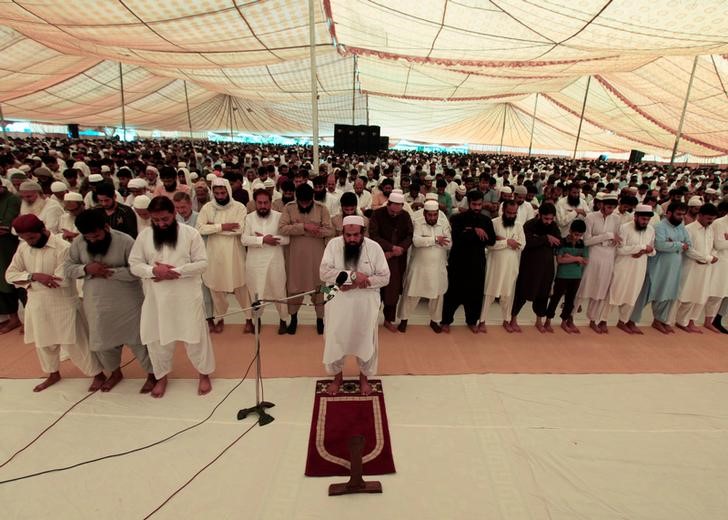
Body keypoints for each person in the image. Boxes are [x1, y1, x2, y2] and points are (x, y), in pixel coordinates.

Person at [5, 214, 103, 392]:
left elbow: (61, 280)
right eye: (25, 239)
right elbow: (10, 275)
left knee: (76, 343)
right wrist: (34, 276)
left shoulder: (63, 247)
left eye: (32, 237)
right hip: (36, 303)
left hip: (63, 303)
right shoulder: (23, 248)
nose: (30, 242)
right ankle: (53, 374)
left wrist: (27, 280)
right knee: (44, 343)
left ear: (43, 230)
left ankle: (97, 374)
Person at [129, 196, 214, 398]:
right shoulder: (145, 236)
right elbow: (134, 265)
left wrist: (176, 271)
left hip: (186, 297)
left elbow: (202, 263)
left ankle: (203, 373)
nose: (161, 224)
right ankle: (162, 376)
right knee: (158, 340)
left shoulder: (190, 234)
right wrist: (153, 271)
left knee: (195, 337)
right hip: (157, 300)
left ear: (174, 213)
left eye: (165, 219)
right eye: (156, 220)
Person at [65, 209, 156, 392]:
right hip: (96, 303)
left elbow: (138, 270)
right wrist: (87, 268)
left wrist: (111, 272)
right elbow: (67, 268)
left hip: (128, 303)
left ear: (106, 227)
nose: (93, 240)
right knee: (103, 341)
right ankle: (115, 373)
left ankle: (153, 374)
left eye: (96, 235)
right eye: (88, 237)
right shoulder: (78, 243)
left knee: (139, 340)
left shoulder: (126, 241)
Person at [319, 215, 390, 395]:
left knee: (365, 338)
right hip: (337, 302)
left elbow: (385, 277)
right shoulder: (333, 245)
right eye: (348, 235)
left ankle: (364, 377)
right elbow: (324, 273)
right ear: (342, 233)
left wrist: (362, 281)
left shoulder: (374, 248)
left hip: (365, 304)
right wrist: (351, 276)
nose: (352, 239)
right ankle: (337, 376)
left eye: (356, 235)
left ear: (363, 233)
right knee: (335, 337)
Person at [196, 177, 254, 333]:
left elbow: (240, 229)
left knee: (242, 286)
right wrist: (224, 226)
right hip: (214, 254)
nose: (220, 196)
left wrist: (213, 227)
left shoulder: (239, 207)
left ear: (228, 191)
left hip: (235, 254)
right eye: (217, 193)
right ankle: (220, 318)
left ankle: (249, 318)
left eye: (223, 192)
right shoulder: (208, 207)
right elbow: (200, 228)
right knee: (216, 288)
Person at [278, 183, 334, 334]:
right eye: (301, 202)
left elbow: (329, 230)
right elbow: (282, 228)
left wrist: (303, 229)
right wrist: (304, 227)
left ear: (312, 199)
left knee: (321, 287)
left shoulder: (322, 209)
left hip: (317, 257)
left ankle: (320, 319)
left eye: (307, 202)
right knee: (294, 288)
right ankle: (294, 318)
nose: (304, 204)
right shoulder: (289, 208)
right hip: (295, 258)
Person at [630, 202, 691, 334]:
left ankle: (659, 320)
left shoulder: (681, 226)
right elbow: (660, 245)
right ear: (668, 213)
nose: (681, 217)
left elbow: (689, 244)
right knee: (646, 294)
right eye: (678, 214)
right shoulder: (660, 227)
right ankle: (631, 321)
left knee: (668, 294)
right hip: (657, 266)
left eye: (682, 215)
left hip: (674, 267)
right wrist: (679, 245)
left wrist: (672, 243)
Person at [440, 190, 496, 333]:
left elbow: (491, 240)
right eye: (474, 204)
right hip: (458, 261)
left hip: (477, 262)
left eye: (479, 204)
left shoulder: (486, 220)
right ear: (468, 203)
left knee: (475, 294)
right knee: (453, 292)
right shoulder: (457, 218)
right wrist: (475, 231)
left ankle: (471, 321)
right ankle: (446, 321)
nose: (477, 208)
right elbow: (458, 238)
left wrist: (471, 232)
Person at [241, 189, 290, 335]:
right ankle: (258, 319)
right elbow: (244, 240)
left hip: (275, 262)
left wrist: (270, 239)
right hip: (255, 264)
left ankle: (283, 320)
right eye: (260, 203)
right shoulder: (249, 218)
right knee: (256, 292)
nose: (263, 206)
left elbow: (287, 239)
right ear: (255, 203)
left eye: (266, 203)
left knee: (279, 292)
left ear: (271, 202)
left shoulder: (279, 217)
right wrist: (263, 240)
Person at [398, 200, 451, 333]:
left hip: (438, 266)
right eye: (430, 215)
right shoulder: (417, 222)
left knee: (438, 296)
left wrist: (427, 240)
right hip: (419, 266)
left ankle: (434, 321)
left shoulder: (444, 223)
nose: (432, 218)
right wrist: (435, 240)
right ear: (425, 213)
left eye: (435, 215)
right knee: (411, 294)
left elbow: (449, 243)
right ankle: (404, 320)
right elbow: (416, 241)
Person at [510, 203, 561, 333]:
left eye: (551, 219)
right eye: (546, 219)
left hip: (547, 266)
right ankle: (513, 319)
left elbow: (558, 241)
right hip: (529, 266)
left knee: (543, 294)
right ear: (539, 215)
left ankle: (539, 320)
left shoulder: (553, 226)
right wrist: (545, 238)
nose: (548, 222)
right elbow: (527, 242)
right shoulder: (529, 225)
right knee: (522, 293)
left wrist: (541, 239)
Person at [606, 204, 656, 334]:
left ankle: (622, 321)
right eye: (643, 219)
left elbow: (652, 250)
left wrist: (645, 251)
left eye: (647, 220)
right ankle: (602, 321)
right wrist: (641, 247)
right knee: (615, 293)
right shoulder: (625, 228)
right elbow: (619, 249)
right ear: (636, 217)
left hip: (639, 268)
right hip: (623, 266)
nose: (645, 222)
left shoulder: (651, 230)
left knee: (632, 295)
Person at [368, 192, 414, 332]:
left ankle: (388, 320)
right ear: (388, 205)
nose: (395, 214)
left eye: (398, 211)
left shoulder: (405, 215)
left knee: (392, 291)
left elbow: (410, 235)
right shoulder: (377, 214)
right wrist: (389, 248)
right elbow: (374, 235)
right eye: (392, 211)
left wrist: (400, 249)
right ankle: (370, 321)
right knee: (374, 291)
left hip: (397, 258)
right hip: (379, 256)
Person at [577, 193, 621, 334]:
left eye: (613, 207)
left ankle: (593, 319)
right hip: (593, 255)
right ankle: (570, 317)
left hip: (608, 256)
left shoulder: (616, 218)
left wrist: (606, 239)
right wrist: (607, 236)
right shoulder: (590, 217)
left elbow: (617, 239)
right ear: (601, 205)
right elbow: (586, 241)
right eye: (608, 206)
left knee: (601, 289)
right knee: (584, 286)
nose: (611, 210)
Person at [478, 200, 525, 332]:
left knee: (508, 295)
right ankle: (482, 321)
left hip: (511, 266)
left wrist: (502, 240)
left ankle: (506, 320)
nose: (511, 216)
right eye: (509, 213)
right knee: (489, 294)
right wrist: (508, 242)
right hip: (495, 266)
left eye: (514, 213)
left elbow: (522, 245)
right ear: (503, 210)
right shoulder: (493, 223)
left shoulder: (519, 226)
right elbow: (489, 244)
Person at [675, 204, 719, 333]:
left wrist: (713, 256)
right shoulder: (689, 229)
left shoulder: (710, 229)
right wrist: (706, 258)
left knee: (700, 296)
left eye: (712, 219)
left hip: (706, 268)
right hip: (691, 267)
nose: (710, 221)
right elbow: (688, 250)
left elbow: (713, 247)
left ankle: (691, 321)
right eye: (708, 218)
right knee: (687, 295)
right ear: (700, 215)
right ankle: (681, 322)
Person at [545, 219, 588, 333]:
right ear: (570, 231)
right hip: (562, 276)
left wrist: (568, 257)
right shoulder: (562, 242)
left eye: (580, 235)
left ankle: (564, 322)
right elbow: (559, 260)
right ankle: (548, 321)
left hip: (576, 276)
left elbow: (585, 261)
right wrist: (576, 258)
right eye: (575, 234)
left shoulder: (582, 244)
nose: (577, 237)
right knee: (555, 299)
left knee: (570, 301)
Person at [0, 180, 22, 334]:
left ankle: (20, 319)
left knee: (12, 280)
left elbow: (5, 227)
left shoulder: (12, 199)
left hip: (8, 248)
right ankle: (11, 317)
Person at [706, 201, 728, 333]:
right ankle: (708, 321)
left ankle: (716, 320)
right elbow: (719, 245)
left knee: (724, 295)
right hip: (721, 263)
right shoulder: (719, 223)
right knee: (716, 293)